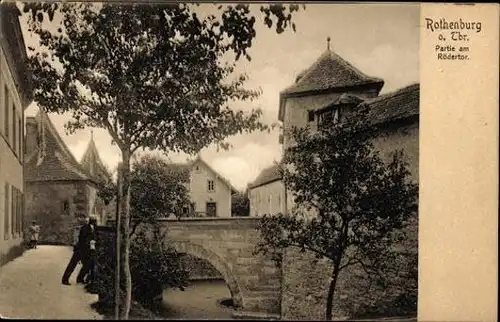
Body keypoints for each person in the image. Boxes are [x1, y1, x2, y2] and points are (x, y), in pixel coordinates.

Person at [61, 216, 96, 285]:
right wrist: (90, 243)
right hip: (80, 249)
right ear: (91, 221)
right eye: (94, 221)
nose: (95, 222)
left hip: (85, 250)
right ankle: (65, 279)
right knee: (73, 264)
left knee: (86, 265)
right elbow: (82, 238)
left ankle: (80, 279)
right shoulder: (85, 228)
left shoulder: (93, 229)